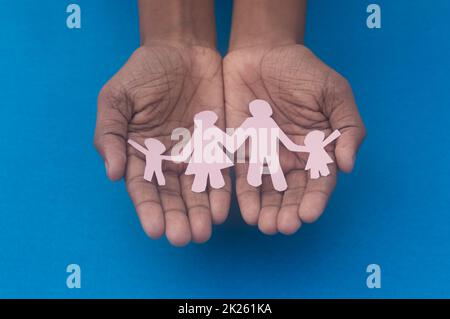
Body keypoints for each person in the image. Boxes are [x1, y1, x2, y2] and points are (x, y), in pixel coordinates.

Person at [94, 0, 366, 245]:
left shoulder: (257, 126)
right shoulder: (206, 135)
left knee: (268, 168)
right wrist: (171, 36)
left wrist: (268, 34)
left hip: (262, 152)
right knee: (219, 172)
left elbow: (267, 139)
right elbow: (226, 141)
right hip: (222, 157)